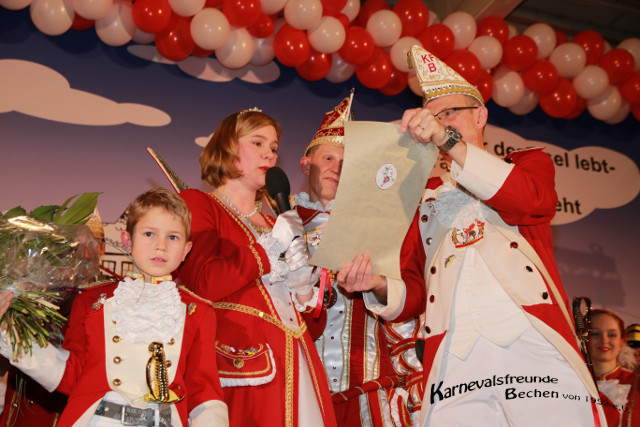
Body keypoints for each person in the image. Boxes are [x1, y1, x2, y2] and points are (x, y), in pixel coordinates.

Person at [399, 45, 606, 426]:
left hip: (532, 342)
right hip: (454, 355)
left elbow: (532, 202)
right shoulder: (421, 197)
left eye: (450, 113)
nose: (439, 123)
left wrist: (448, 141)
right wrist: (377, 286)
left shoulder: (527, 163)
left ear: (480, 115)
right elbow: (411, 288)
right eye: (433, 116)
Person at [0, 187, 228, 426]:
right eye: (149, 234)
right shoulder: (91, 301)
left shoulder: (198, 312)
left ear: (186, 250)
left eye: (173, 237)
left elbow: (205, 395)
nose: (161, 245)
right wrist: (7, 331)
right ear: (127, 240)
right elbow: (70, 374)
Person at [177, 108, 337, 427]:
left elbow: (312, 328)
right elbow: (203, 283)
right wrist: (271, 246)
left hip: (297, 366)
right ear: (227, 147)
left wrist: (304, 290)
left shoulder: (275, 222)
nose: (269, 154)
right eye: (258, 142)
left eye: (274, 147)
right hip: (242, 367)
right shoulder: (199, 203)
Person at [293, 94, 426, 426]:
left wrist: (415, 382)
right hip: (302, 398)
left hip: (371, 396)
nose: (337, 169)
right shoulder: (278, 227)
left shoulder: (380, 226)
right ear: (306, 165)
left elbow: (404, 320)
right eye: (328, 158)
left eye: (346, 162)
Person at [589, 309, 640, 426]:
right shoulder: (571, 384)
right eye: (595, 334)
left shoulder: (638, 383)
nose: (604, 340)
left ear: (622, 342)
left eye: (612, 335)